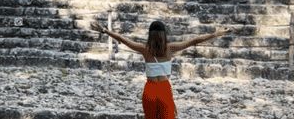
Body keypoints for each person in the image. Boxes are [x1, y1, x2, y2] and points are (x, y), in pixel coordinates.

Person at [92, 20, 230, 119]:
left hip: (150, 89)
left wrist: (105, 30)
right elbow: (194, 40)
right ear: (164, 34)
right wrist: (215, 34)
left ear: (150, 35)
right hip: (164, 89)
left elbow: (123, 39)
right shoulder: (170, 48)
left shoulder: (144, 49)